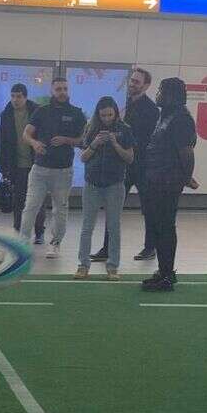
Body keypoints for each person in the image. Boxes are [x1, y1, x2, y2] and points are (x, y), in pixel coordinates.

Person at [93, 68, 160, 263]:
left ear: (146, 85)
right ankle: (107, 248)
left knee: (149, 208)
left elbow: (144, 139)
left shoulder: (151, 110)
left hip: (143, 167)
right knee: (113, 206)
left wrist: (119, 140)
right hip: (123, 165)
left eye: (137, 82)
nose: (132, 84)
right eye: (132, 80)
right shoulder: (123, 104)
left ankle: (150, 247)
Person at [139, 77, 198, 292]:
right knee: (156, 226)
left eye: (162, 91)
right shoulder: (166, 116)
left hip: (168, 182)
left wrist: (184, 178)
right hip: (155, 179)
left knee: (165, 227)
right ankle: (163, 271)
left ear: (172, 95)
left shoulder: (181, 119)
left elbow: (186, 153)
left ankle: (167, 275)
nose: (158, 95)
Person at [19, 76, 87, 259]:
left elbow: (84, 140)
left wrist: (67, 140)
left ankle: (55, 243)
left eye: (65, 88)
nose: (62, 92)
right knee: (31, 206)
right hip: (39, 169)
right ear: (52, 91)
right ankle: (23, 242)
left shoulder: (76, 113)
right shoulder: (42, 111)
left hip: (63, 171)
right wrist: (34, 144)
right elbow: (26, 134)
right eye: (58, 89)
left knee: (60, 208)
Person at [75, 96, 134, 279]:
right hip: (92, 183)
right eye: (103, 115)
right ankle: (83, 265)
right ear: (98, 114)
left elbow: (130, 158)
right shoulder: (90, 128)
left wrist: (115, 143)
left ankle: (112, 266)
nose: (107, 119)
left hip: (115, 184)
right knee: (87, 227)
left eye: (110, 115)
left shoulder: (125, 130)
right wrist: (95, 144)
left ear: (115, 113)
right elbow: (83, 158)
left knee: (114, 227)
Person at [0, 83, 45, 243]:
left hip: (35, 163)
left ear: (25, 97)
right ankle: (18, 230)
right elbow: (2, 141)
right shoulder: (7, 114)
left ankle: (39, 232)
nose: (15, 100)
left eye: (18, 96)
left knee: (37, 199)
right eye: (13, 96)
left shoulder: (36, 112)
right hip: (16, 164)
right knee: (18, 200)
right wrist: (3, 167)